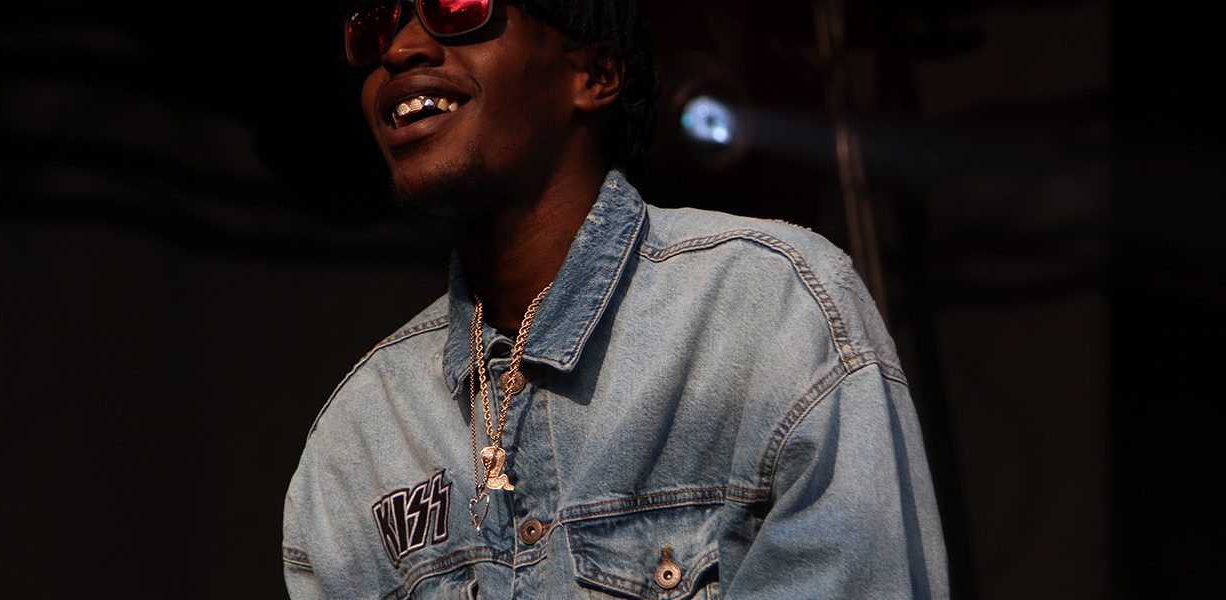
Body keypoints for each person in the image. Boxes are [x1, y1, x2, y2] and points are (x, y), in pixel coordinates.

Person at [282, 0, 950, 597]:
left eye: (458, 7)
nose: (401, 49)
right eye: (374, 25)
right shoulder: (359, 434)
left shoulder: (771, 308)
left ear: (595, 74)